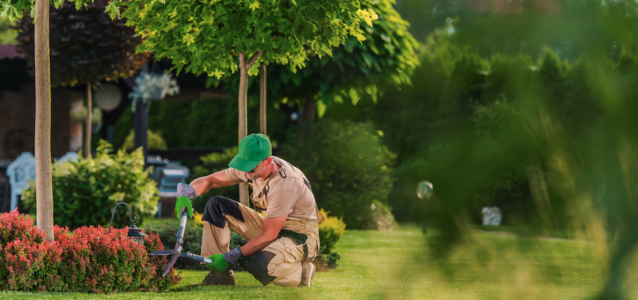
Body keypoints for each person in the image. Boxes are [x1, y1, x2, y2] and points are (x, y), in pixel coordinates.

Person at [174, 133, 325, 287]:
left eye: (251, 168)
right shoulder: (250, 167)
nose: (246, 173)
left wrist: (229, 257)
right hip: (273, 226)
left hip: (300, 236)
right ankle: (220, 276)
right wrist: (188, 192)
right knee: (216, 205)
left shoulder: (284, 184)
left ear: (268, 161)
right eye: (244, 166)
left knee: (261, 266)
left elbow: (269, 235)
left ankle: (302, 272)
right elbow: (211, 180)